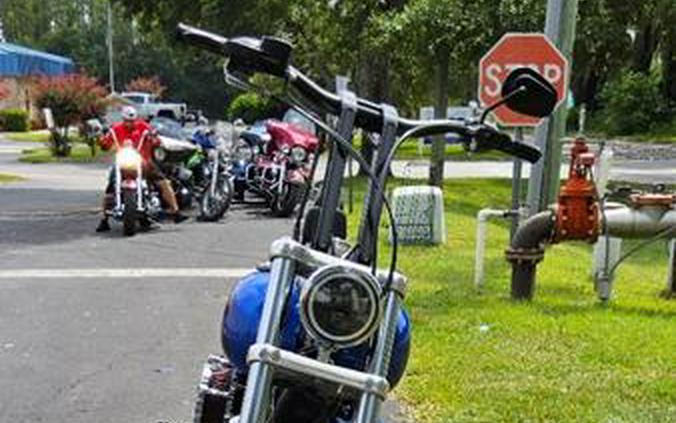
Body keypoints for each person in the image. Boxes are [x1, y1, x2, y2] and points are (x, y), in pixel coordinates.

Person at [95, 106, 188, 232]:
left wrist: (154, 139)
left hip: (143, 161)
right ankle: (104, 220)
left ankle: (176, 212)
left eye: (132, 120)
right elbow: (106, 144)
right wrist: (100, 139)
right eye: (127, 120)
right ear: (123, 119)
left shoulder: (143, 127)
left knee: (163, 183)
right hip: (122, 163)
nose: (130, 123)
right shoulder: (115, 129)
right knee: (109, 191)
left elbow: (155, 140)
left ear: (136, 119)